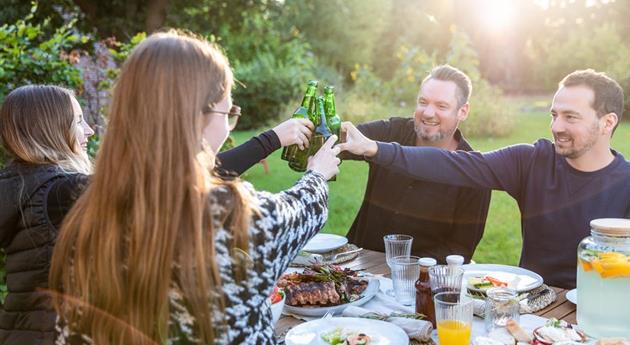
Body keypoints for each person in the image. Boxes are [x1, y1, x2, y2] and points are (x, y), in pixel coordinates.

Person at [49, 30, 340, 345]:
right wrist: (317, 173)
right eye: (227, 112)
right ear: (194, 117)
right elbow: (298, 211)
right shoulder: (230, 217)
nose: (228, 126)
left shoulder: (86, 217)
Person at [339, 69, 630, 289]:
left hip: (604, 311)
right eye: (554, 114)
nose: (556, 126)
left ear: (607, 122)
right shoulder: (531, 161)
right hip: (536, 304)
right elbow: (455, 165)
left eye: (571, 117)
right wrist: (376, 149)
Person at [344, 65, 491, 262]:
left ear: (463, 111)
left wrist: (403, 269)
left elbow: (460, 249)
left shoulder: (474, 172)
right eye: (423, 102)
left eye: (441, 106)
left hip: (419, 281)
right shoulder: (392, 132)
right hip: (355, 267)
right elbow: (341, 141)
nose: (428, 113)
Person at [0, 85, 94, 345]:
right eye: (78, 121)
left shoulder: (22, 188)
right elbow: (147, 190)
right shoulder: (60, 193)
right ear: (51, 130)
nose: (89, 130)